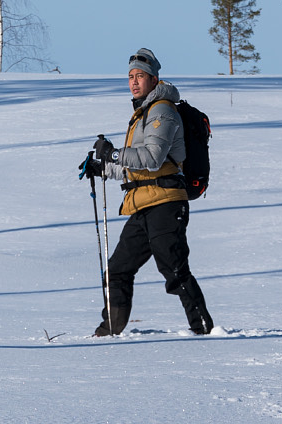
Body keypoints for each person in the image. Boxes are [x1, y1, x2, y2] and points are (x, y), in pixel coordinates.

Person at [81, 46, 214, 337]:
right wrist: (101, 167)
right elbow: (135, 168)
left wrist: (114, 155)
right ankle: (110, 330)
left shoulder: (162, 110)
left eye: (141, 76)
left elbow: (152, 158)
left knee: (174, 270)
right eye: (130, 76)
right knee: (117, 269)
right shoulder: (142, 114)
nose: (134, 81)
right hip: (143, 204)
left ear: (155, 79)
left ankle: (204, 331)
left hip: (166, 203)